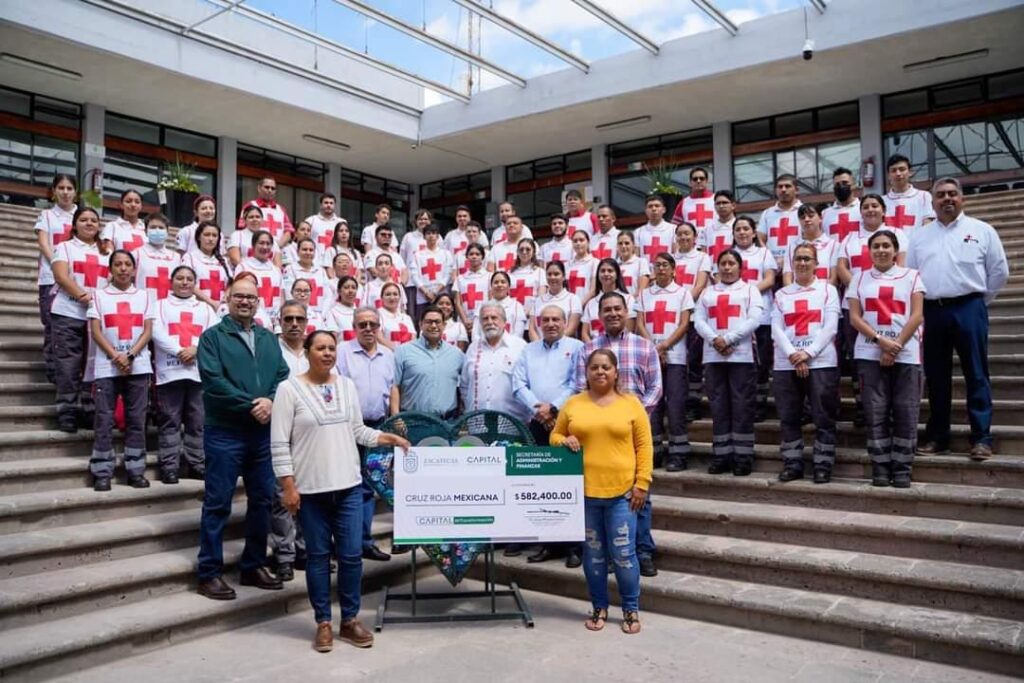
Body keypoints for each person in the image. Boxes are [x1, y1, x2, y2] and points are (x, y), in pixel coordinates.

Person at [273, 330, 410, 652]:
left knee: (351, 558)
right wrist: (289, 487)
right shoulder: (288, 390)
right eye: (320, 348)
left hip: (348, 487)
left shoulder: (346, 386)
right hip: (310, 492)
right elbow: (278, 444)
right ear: (307, 352)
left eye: (331, 348)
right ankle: (323, 622)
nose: (327, 353)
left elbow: (358, 430)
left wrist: (389, 438)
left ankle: (349, 620)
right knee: (319, 558)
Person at [196, 277, 291, 600]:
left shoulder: (267, 338)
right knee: (218, 503)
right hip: (225, 432)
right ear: (227, 298)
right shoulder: (212, 338)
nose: (245, 302)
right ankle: (209, 571)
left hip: (262, 436)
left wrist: (272, 401)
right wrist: (254, 404)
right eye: (239, 296)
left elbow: (282, 375)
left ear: (259, 301)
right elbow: (213, 381)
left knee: (263, 502)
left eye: (251, 297)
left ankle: (252, 565)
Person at [551, 348, 652, 635]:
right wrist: (564, 441)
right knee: (593, 556)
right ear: (586, 371)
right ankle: (599, 606)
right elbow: (554, 435)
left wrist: (642, 483)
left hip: (622, 494)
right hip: (584, 494)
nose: (600, 372)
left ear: (616, 370)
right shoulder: (573, 403)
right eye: (594, 367)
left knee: (623, 554)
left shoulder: (631, 404)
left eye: (606, 367)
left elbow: (644, 446)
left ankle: (630, 609)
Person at [907, 178, 1009, 461]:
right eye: (941, 195)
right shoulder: (919, 236)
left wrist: (978, 302)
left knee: (976, 373)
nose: (947, 199)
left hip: (969, 308)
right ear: (933, 202)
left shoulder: (982, 231)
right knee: (937, 377)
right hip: (932, 311)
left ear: (962, 198)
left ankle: (981, 437)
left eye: (952, 194)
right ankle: (939, 436)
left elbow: (999, 271)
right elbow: (911, 277)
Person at [576, 292, 662, 577]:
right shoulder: (587, 349)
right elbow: (580, 387)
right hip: (598, 436)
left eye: (617, 309)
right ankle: (613, 554)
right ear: (599, 315)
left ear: (627, 312)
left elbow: (655, 387)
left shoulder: (644, 346)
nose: (612, 313)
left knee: (639, 493)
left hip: (633, 430)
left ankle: (643, 550)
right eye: (606, 310)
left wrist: (634, 414)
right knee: (603, 499)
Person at [849, 230, 926, 487]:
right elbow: (855, 318)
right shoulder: (858, 279)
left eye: (886, 246)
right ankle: (880, 467)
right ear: (869, 251)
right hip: (869, 353)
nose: (881, 250)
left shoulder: (912, 276)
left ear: (895, 250)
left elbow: (916, 315)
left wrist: (895, 347)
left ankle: (903, 467)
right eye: (876, 246)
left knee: (906, 410)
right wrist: (880, 342)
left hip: (906, 353)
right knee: (875, 411)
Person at [513, 304, 585, 566]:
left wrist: (553, 408)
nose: (551, 323)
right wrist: (539, 409)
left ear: (565, 322)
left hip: (567, 423)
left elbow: (577, 384)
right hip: (536, 423)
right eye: (546, 320)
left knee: (568, 485)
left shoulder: (576, 348)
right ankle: (548, 543)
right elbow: (518, 383)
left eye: (557, 319)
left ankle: (574, 546)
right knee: (542, 486)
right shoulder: (528, 349)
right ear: (539, 323)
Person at [771, 243, 841, 484]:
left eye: (807, 259)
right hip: (785, 363)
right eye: (798, 259)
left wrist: (808, 353)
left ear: (816, 263)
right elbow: (777, 330)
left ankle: (823, 465)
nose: (802, 263)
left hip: (821, 362)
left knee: (824, 416)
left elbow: (830, 327)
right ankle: (793, 464)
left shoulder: (828, 290)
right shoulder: (781, 294)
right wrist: (794, 355)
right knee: (789, 416)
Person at [337, 307, 401, 562]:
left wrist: (394, 420)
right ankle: (345, 542)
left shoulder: (388, 355)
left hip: (378, 428)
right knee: (346, 486)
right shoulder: (342, 352)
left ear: (379, 328)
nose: (368, 329)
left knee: (369, 486)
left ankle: (363, 541)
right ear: (354, 326)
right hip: (347, 429)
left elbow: (393, 388)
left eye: (373, 324)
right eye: (362, 324)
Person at [836, 194, 906, 426]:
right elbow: (842, 268)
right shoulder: (849, 239)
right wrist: (861, 291)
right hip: (855, 307)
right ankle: (863, 406)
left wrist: (873, 291)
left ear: (884, 210)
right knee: (860, 358)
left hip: (889, 306)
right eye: (865, 206)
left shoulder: (898, 234)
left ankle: (892, 409)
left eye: (875, 206)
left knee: (889, 354)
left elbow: (901, 267)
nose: (870, 210)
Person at [694, 248, 764, 477]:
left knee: (742, 406)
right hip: (714, 357)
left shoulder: (750, 290)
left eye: (731, 263)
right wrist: (716, 339)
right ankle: (721, 455)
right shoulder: (707, 292)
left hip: (741, 356)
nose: (726, 267)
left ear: (739, 267)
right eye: (722, 263)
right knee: (719, 407)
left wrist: (729, 339)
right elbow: (699, 321)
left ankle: (743, 457)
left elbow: (754, 319)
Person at [87, 249, 153, 491]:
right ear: (110, 269)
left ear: (134, 269)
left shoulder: (145, 296)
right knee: (103, 419)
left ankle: (135, 470)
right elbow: (95, 330)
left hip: (138, 365)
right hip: (107, 366)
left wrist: (131, 355)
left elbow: (147, 331)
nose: (123, 268)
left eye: (127, 264)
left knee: (137, 420)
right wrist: (116, 356)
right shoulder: (98, 295)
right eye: (118, 264)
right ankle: (102, 471)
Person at [151, 264, 217, 483]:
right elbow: (156, 332)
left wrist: (196, 349)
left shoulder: (206, 309)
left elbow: (212, 333)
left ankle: (196, 464)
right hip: (170, 372)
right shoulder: (159, 306)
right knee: (169, 420)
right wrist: (179, 351)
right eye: (180, 278)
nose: (185, 282)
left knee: (197, 421)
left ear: (195, 283)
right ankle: (169, 466)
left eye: (189, 278)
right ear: (172, 281)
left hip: (198, 373)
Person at [50, 206, 108, 433]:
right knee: (68, 364)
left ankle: (88, 409)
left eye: (93, 220)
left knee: (92, 364)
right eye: (84, 220)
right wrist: (83, 296)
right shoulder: (64, 247)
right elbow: (61, 276)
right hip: (69, 313)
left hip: (96, 317)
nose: (89, 223)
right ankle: (67, 411)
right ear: (75, 224)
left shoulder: (106, 252)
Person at [636, 253, 695, 472]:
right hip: (650, 358)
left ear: (673, 269)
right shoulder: (643, 295)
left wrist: (664, 346)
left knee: (676, 403)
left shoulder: (682, 293)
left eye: (664, 265)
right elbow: (640, 324)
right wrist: (653, 348)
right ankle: (654, 452)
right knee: (652, 405)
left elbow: (684, 325)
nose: (660, 269)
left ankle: (679, 453)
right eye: (657, 265)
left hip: (675, 357)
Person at [730, 216, 776, 421]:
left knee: (761, 362)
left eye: (745, 228)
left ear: (753, 231)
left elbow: (770, 279)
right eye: (738, 229)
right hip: (734, 318)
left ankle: (760, 403)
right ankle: (743, 403)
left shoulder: (764, 253)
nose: (742, 232)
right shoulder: (728, 255)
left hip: (762, 315)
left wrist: (746, 292)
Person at [35, 174, 77, 383]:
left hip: (76, 279)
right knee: (52, 323)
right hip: (50, 278)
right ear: (54, 191)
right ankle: (52, 371)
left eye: (69, 188)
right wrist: (57, 264)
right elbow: (43, 243)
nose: (65, 192)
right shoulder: (46, 215)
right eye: (61, 188)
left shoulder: (82, 215)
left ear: (75, 192)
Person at [461, 302, 531, 422]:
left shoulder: (520, 347)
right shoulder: (473, 348)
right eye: (485, 319)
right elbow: (465, 385)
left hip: (513, 425)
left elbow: (529, 384)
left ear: (504, 322)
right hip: (478, 424)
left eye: (494, 317)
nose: (489, 322)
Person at [393, 305, 465, 419]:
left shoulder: (457, 355)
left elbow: (464, 387)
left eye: (437, 322)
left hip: (448, 423)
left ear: (444, 325)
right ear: (420, 324)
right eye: (429, 322)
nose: (433, 326)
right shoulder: (403, 351)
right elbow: (394, 386)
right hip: (413, 421)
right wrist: (396, 418)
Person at [673, 221, 712, 421]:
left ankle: (693, 403)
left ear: (695, 237)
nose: (684, 237)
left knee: (694, 361)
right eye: (680, 234)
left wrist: (681, 305)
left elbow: (699, 285)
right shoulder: (670, 259)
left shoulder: (703, 257)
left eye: (687, 234)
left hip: (693, 315)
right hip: (671, 318)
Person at [781, 204, 839, 287]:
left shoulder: (833, 245)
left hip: (825, 296)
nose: (807, 219)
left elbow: (834, 278)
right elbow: (787, 277)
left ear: (820, 218)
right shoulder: (792, 247)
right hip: (798, 296)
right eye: (802, 217)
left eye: (811, 216)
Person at [582, 258, 636, 342]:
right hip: (596, 351)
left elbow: (629, 329)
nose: (606, 274)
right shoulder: (590, 303)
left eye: (610, 271)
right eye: (602, 271)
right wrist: (594, 350)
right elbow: (584, 333)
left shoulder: (628, 299)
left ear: (617, 274)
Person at [236, 230, 284, 325]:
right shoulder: (243, 267)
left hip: (274, 319)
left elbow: (281, 296)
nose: (265, 247)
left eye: (268, 244)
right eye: (261, 243)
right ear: (253, 245)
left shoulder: (276, 270)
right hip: (253, 319)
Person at [183, 221, 233, 309]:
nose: (211, 239)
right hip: (197, 308)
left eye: (214, 235)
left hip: (221, 309)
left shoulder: (223, 260)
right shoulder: (190, 258)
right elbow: (188, 284)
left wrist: (226, 297)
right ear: (199, 237)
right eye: (207, 234)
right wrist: (211, 302)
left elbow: (231, 283)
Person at [134, 212, 181, 304]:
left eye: (161, 228)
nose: (157, 230)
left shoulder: (176, 257)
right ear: (145, 231)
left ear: (167, 231)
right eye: (153, 227)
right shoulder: (136, 254)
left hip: (169, 307)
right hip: (143, 305)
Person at [528, 261, 581, 341]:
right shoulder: (538, 301)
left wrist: (554, 345)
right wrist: (540, 346)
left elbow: (572, 328)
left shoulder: (573, 299)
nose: (552, 277)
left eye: (556, 274)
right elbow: (532, 329)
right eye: (549, 274)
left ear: (563, 276)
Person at [758, 174, 803, 270]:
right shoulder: (767, 213)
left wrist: (791, 259)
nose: (783, 189)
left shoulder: (805, 211)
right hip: (772, 266)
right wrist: (770, 259)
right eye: (780, 187)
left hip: (798, 264)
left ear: (797, 190)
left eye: (787, 186)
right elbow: (760, 239)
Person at [884, 154, 935, 235]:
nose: (898, 173)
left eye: (902, 169)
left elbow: (927, 224)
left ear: (910, 172)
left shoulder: (924, 196)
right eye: (893, 170)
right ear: (888, 175)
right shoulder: (882, 201)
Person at [411, 223, 454, 319]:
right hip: (423, 296)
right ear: (424, 236)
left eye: (434, 233)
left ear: (438, 236)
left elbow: (448, 274)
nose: (431, 236)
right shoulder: (417, 255)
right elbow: (414, 276)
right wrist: (426, 292)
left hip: (441, 295)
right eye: (428, 233)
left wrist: (435, 292)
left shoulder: (446, 254)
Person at [238, 176, 294, 248]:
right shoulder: (250, 206)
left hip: (278, 251)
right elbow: (242, 228)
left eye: (273, 188)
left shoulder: (281, 209)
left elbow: (289, 231)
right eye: (267, 187)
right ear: (259, 188)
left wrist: (278, 246)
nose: (270, 190)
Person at [474, 271, 527, 340]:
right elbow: (475, 334)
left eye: (503, 282)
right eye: (496, 282)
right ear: (491, 286)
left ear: (509, 286)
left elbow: (518, 334)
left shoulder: (517, 306)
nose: (499, 285)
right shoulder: (482, 306)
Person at [283, 238, 332, 313]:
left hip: (319, 316)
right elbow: (288, 294)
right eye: (304, 249)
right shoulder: (290, 269)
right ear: (297, 252)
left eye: (311, 250)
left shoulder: (321, 271)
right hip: (298, 314)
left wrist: (323, 315)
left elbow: (328, 296)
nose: (308, 252)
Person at [455, 243, 490, 337]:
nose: (474, 257)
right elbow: (458, 302)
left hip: (483, 319)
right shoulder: (460, 278)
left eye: (477, 254)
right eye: (471, 254)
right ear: (466, 257)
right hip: (464, 320)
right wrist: (465, 320)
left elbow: (491, 300)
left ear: (482, 257)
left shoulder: (489, 276)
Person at [634, 195, 675, 271]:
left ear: (664, 209)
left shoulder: (673, 229)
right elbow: (636, 258)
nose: (654, 209)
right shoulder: (638, 232)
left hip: (666, 274)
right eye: (650, 206)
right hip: (646, 275)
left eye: (657, 206)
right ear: (646, 211)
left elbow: (676, 254)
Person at [671, 168, 714, 239]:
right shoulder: (683, 203)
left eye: (702, 178)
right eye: (695, 179)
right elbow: (675, 227)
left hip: (712, 242)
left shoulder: (716, 200)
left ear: (707, 181)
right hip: (691, 245)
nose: (698, 181)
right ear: (690, 183)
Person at [822, 168, 861, 243]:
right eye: (837, 184)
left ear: (853, 185)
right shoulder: (825, 214)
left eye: (845, 183)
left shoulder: (863, 209)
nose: (841, 186)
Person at [377, 282, 416, 350]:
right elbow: (379, 338)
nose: (392, 298)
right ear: (381, 298)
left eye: (395, 294)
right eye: (388, 294)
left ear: (400, 297)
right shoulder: (377, 315)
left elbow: (413, 338)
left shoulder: (407, 318)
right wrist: (398, 352)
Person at [509, 239, 545, 310]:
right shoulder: (509, 273)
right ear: (517, 252)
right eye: (521, 249)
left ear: (533, 252)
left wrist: (530, 312)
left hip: (532, 314)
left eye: (528, 249)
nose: (524, 252)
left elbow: (541, 298)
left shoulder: (540, 272)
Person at [701, 190, 737, 263]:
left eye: (724, 203)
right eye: (718, 203)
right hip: (711, 272)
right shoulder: (707, 228)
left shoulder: (740, 227)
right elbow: (702, 253)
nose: (721, 206)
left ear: (733, 205)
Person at [324, 275, 361, 342]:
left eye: (353, 288)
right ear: (339, 291)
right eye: (346, 288)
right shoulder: (333, 312)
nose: (350, 291)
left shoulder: (361, 312)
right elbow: (332, 337)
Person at [616, 231, 650, 297]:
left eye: (627, 243)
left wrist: (629, 301)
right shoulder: (614, 265)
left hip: (635, 304)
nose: (623, 246)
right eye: (620, 243)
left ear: (633, 244)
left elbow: (642, 290)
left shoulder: (641, 262)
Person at [566, 230, 598, 299]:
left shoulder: (595, 263)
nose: (578, 243)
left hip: (587, 305)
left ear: (588, 242)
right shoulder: (566, 265)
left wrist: (579, 305)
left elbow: (593, 290)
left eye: (581, 240)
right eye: (575, 241)